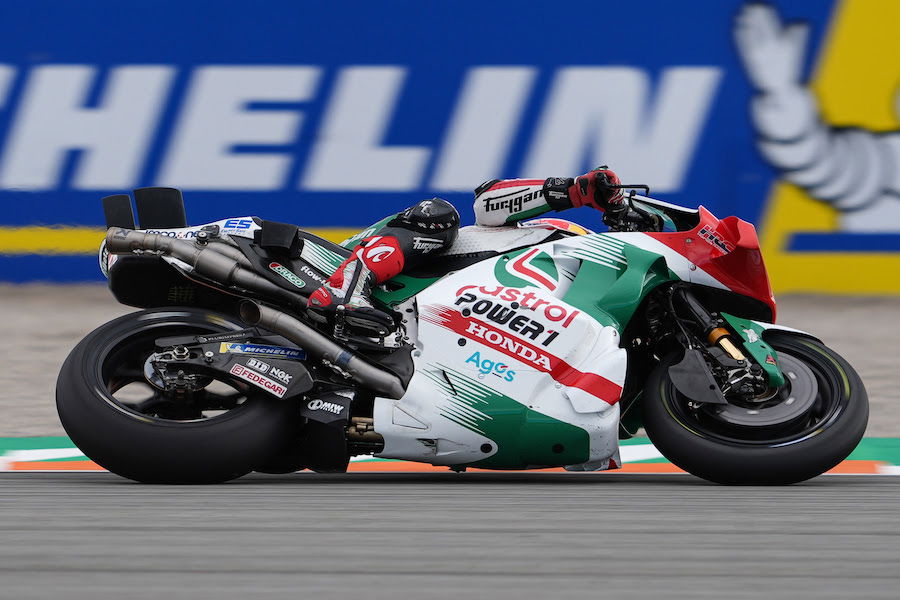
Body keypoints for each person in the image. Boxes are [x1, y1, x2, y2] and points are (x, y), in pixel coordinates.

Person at [306, 168, 625, 339]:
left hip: (419, 326)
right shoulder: (568, 234)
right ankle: (344, 286)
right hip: (351, 266)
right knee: (439, 216)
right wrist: (575, 191)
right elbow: (486, 204)